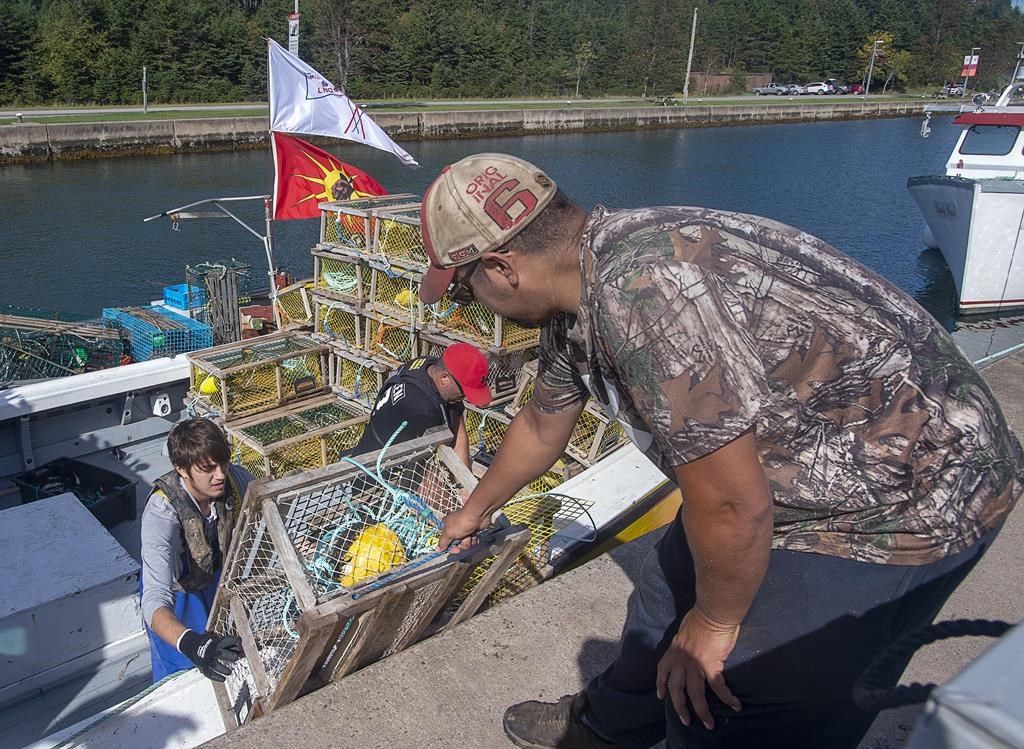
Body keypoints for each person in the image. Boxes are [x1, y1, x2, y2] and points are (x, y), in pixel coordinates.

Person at [417, 153, 1023, 749]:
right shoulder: (580, 283)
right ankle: (607, 727)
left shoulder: (643, 299)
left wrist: (713, 624)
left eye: (466, 291)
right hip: (793, 461)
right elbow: (545, 421)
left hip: (912, 489)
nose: (472, 305)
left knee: (734, 688)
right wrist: (476, 509)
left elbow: (734, 506)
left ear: (502, 266)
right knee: (665, 593)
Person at [140, 418, 255, 683]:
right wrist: (192, 643)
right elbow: (154, 598)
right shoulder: (161, 513)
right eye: (208, 468)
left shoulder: (236, 480)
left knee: (230, 652)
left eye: (223, 464)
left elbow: (272, 503)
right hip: (180, 594)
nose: (221, 475)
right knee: (184, 670)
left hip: (218, 580)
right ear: (181, 468)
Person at [346, 341, 492, 466]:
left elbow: (457, 422)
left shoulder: (429, 365)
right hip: (379, 475)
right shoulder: (420, 409)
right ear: (444, 379)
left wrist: (463, 484)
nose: (466, 397)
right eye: (465, 391)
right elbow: (425, 471)